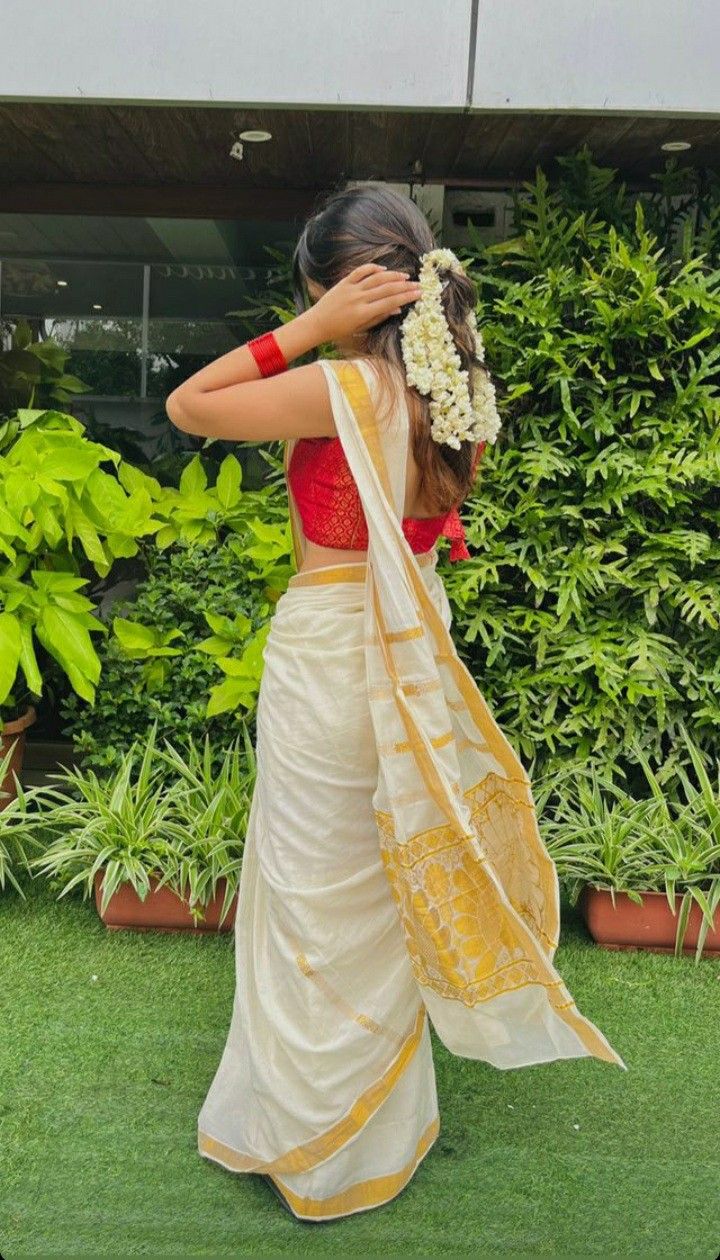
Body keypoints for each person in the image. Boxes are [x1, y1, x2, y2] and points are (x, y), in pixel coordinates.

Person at [165, 184, 626, 1224]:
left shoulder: (346, 385)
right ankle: (374, 1136)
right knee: (378, 894)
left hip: (334, 649)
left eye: (316, 292)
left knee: (311, 897)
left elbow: (192, 407)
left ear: (339, 290)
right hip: (411, 637)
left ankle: (312, 1149)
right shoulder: (451, 388)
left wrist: (306, 333)